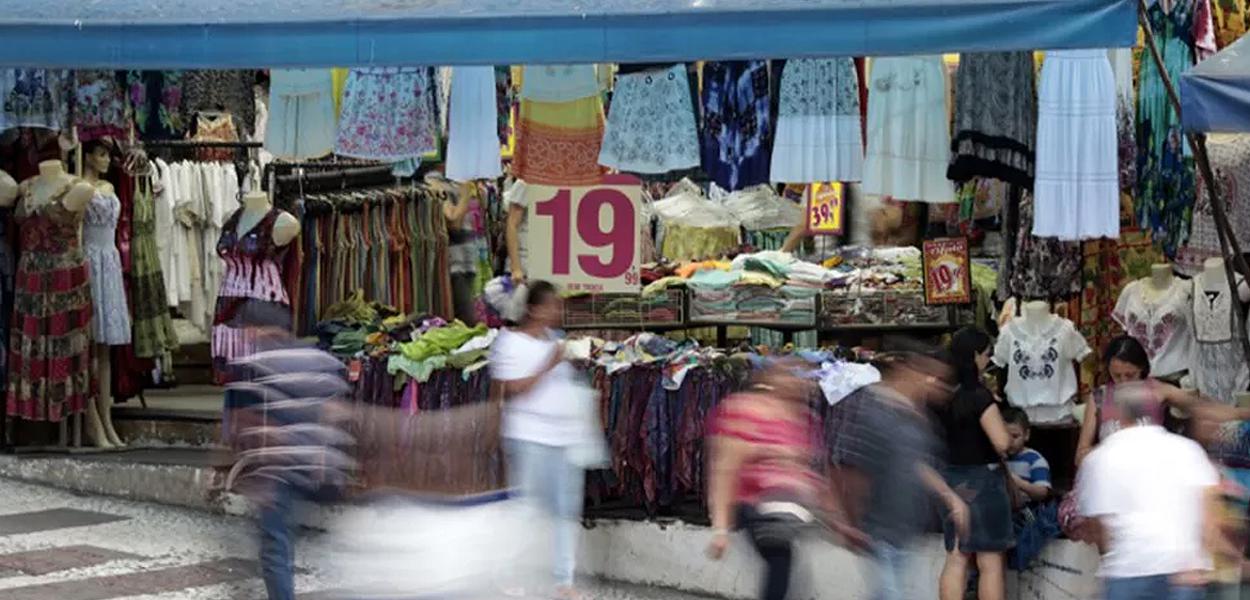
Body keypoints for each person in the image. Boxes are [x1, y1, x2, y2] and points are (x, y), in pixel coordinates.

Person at [223, 317, 356, 600]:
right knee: (322, 544)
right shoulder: (321, 360)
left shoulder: (255, 364)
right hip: (320, 466)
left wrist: (245, 471)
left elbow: (249, 423)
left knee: (275, 548)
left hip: (280, 468)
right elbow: (339, 412)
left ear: (257, 329)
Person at [828, 343, 968, 600]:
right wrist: (848, 521)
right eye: (931, 375)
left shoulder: (917, 416)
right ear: (906, 369)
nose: (936, 384)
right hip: (877, 532)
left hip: (904, 532)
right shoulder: (871, 408)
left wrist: (949, 497)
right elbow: (848, 467)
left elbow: (917, 464)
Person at [489, 280, 588, 599]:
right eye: (551, 305)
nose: (557, 311)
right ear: (533, 309)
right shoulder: (509, 343)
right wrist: (549, 364)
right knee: (527, 509)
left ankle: (564, 580)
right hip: (529, 437)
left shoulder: (556, 342)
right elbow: (513, 390)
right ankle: (506, 572)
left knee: (566, 511)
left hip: (564, 438)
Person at [1078, 381, 1221, 600]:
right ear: (1156, 411)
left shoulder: (1099, 459)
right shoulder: (1188, 450)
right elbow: (1211, 514)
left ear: (1118, 415)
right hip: (1182, 570)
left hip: (1127, 572)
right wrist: (1199, 560)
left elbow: (1098, 527)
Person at [705, 358, 826, 600]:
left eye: (801, 377)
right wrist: (720, 528)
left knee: (787, 573)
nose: (797, 382)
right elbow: (725, 469)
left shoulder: (804, 417)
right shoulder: (744, 410)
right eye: (788, 375)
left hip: (789, 508)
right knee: (780, 566)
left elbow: (806, 467)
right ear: (769, 379)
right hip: (754, 505)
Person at [1076, 335, 1250, 466]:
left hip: (1153, 471)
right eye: (1117, 376)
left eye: (1130, 375)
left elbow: (1205, 409)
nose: (1123, 382)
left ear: (1142, 368)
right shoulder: (1099, 397)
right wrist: (1116, 449)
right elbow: (1080, 456)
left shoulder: (1158, 390)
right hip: (1111, 473)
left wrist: (1242, 414)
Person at [936, 328, 1013, 600]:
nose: (988, 359)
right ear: (975, 356)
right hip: (983, 482)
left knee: (956, 556)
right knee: (990, 561)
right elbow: (1002, 442)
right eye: (986, 354)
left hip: (951, 481)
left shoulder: (942, 395)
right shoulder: (979, 396)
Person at [1002, 407, 1061, 571]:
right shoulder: (996, 458)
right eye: (1004, 435)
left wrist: (1019, 483)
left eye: (1015, 436)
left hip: (1026, 511)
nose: (1009, 441)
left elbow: (1043, 492)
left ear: (1026, 435)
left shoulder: (1034, 460)